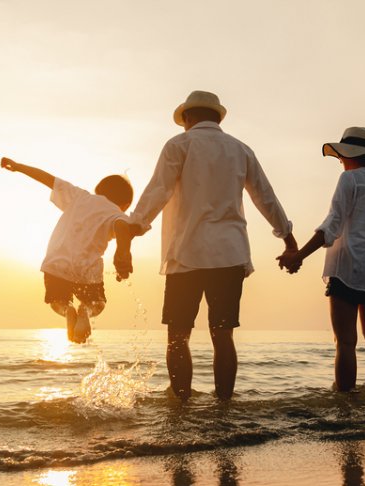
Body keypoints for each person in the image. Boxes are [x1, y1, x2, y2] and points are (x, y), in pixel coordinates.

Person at [114, 90, 297, 402]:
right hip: (229, 254)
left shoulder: (179, 144)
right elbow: (265, 196)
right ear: (217, 117)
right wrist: (289, 240)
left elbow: (158, 190)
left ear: (187, 117)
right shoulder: (241, 150)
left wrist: (133, 228)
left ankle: (182, 407)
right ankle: (223, 408)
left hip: (186, 254)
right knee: (223, 336)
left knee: (177, 336)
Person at [278, 127, 365, 392]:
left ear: (351, 155)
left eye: (341, 156)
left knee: (346, 341)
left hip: (348, 269)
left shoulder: (350, 180)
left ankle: (345, 404)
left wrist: (298, 256)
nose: (340, 160)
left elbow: (332, 225)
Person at [0, 157, 138, 343]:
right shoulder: (116, 213)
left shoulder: (79, 196)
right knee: (97, 303)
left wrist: (18, 167)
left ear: (98, 190)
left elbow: (48, 179)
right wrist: (123, 253)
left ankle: (68, 310)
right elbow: (122, 226)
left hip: (56, 263)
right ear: (126, 204)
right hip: (87, 270)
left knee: (57, 301)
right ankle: (85, 310)